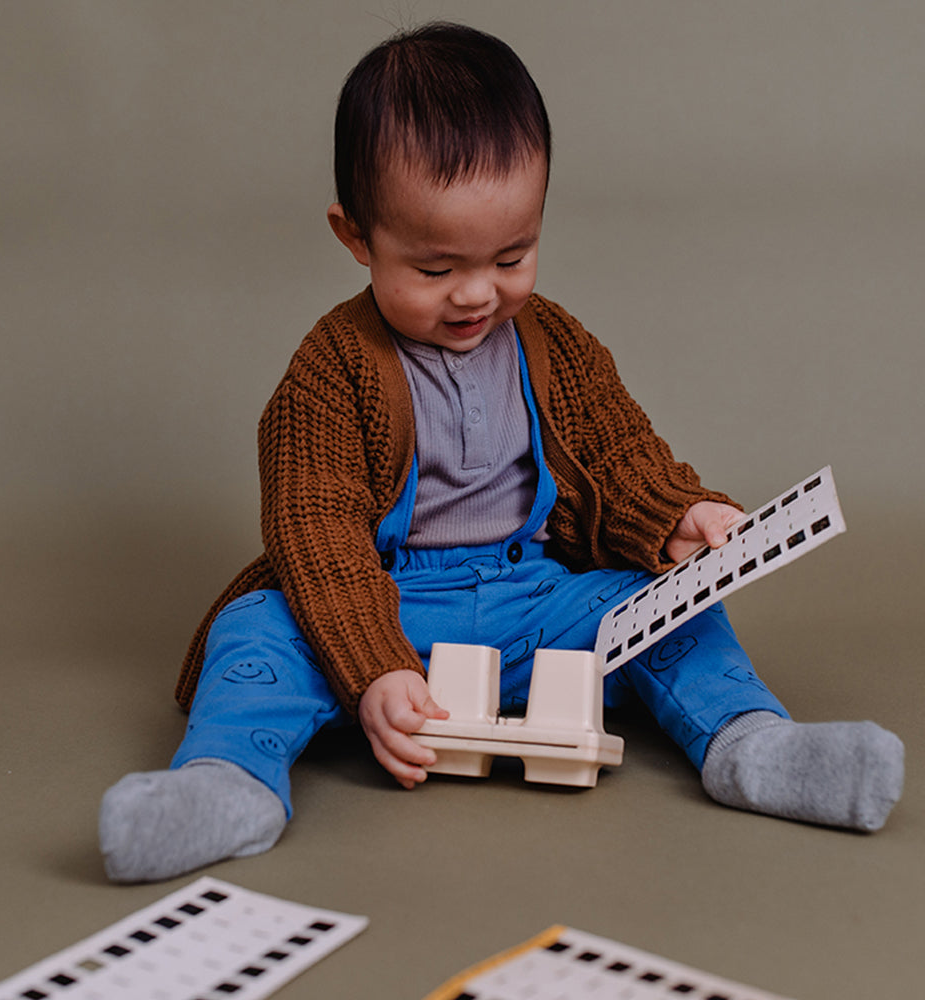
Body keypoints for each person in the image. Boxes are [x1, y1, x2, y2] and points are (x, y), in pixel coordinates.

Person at [99, 22, 903, 883]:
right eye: (436, 268)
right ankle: (229, 782)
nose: (480, 292)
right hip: (391, 609)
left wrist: (677, 517)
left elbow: (618, 446)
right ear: (356, 236)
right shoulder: (329, 372)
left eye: (512, 256)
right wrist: (372, 668)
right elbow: (318, 536)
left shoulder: (552, 340)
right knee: (256, 630)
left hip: (533, 600)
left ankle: (751, 744)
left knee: (671, 608)